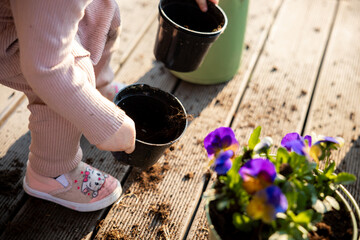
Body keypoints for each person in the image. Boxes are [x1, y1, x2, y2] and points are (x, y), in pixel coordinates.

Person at [0, 0, 218, 212]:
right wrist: (105, 123)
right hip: (11, 38)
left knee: (103, 11)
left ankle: (97, 88)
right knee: (70, 78)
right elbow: (47, 69)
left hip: (35, 22)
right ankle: (52, 174)